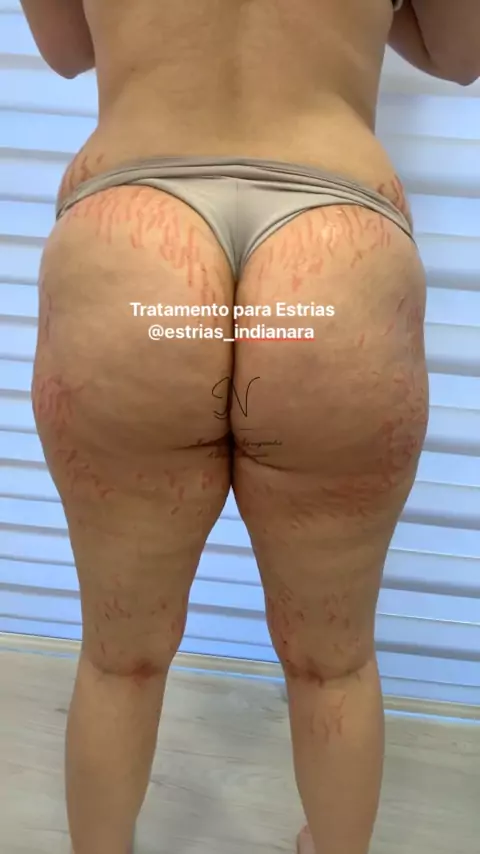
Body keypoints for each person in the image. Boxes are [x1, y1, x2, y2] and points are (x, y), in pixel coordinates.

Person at [23, 1, 479, 853]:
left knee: (120, 660)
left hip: (133, 249)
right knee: (332, 663)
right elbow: (461, 54)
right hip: (334, 249)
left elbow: (66, 49)